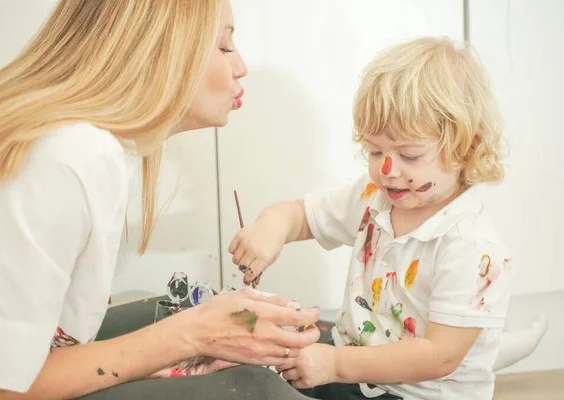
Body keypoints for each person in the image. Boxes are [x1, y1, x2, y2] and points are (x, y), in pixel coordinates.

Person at [0, 1, 321, 399]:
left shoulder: (98, 148)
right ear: (160, 54)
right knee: (255, 386)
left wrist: (178, 344)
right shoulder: (68, 156)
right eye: (223, 46)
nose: (240, 66)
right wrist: (189, 336)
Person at [229, 37, 547, 399]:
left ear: (466, 148)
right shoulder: (373, 195)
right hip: (357, 361)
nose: (388, 169)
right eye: (375, 150)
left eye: (409, 155)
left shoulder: (472, 246)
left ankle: (488, 349)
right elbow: (302, 214)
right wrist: (273, 226)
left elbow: (440, 356)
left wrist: (334, 364)